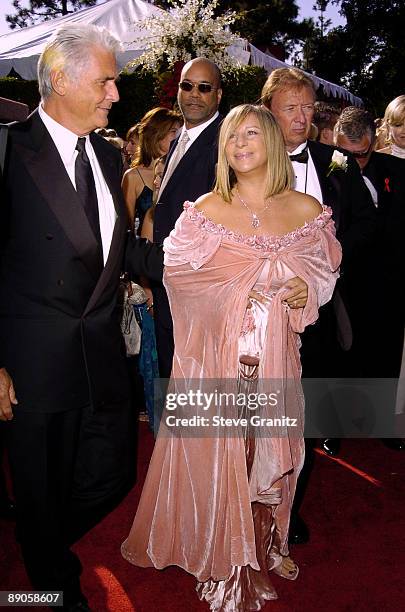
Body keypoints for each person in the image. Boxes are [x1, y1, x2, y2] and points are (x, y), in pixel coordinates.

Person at [121, 104, 341, 610]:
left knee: (270, 457)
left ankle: (265, 545)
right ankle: (222, 550)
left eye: (249, 134)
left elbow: (324, 271)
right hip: (217, 364)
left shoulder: (307, 211)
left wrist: (303, 289)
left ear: (270, 140)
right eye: (230, 138)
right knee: (226, 458)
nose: (239, 144)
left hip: (277, 363)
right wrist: (239, 292)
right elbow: (177, 276)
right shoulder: (205, 212)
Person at [0, 24, 141, 611]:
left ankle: (42, 534)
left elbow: (119, 251)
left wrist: (215, 261)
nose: (115, 94)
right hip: (34, 367)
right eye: (105, 81)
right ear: (59, 79)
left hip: (101, 356)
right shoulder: (8, 148)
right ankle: (50, 585)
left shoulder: (109, 159)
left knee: (114, 476)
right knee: (42, 486)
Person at [261, 67, 376, 541]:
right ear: (268, 110)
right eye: (290, 107)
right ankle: (252, 503)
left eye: (308, 107)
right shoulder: (243, 158)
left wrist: (327, 266)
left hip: (321, 312)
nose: (301, 117)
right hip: (261, 312)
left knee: (306, 416)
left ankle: (291, 509)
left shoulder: (336, 163)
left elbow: (367, 225)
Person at [334, 107, 405, 450]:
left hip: (386, 280)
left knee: (384, 352)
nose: (355, 162)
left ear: (374, 142)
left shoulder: (396, 170)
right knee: (340, 354)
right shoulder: (323, 171)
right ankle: (335, 425)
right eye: (348, 154)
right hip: (339, 282)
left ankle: (381, 424)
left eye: (362, 154)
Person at [152, 57, 223, 378]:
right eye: (187, 85)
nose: (194, 94)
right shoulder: (179, 137)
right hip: (168, 287)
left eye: (204, 88)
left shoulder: (225, 143)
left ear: (218, 96)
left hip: (200, 293)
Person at [121, 107, 181, 232]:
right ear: (156, 134)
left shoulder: (182, 170)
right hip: (147, 248)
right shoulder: (133, 176)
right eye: (174, 131)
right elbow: (126, 226)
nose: (180, 136)